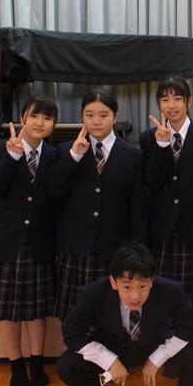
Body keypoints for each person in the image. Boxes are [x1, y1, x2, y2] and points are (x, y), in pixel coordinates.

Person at [56, 242, 193, 386]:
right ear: (113, 282)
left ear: (151, 281)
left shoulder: (171, 290)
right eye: (127, 287)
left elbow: (190, 325)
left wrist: (157, 358)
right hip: (112, 346)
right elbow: (72, 333)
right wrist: (109, 361)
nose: (135, 296)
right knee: (68, 364)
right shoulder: (94, 293)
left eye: (142, 286)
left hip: (154, 343)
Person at [0, 96, 59, 386]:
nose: (39, 122)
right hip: (3, 243)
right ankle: (16, 366)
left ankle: (37, 363)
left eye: (47, 118)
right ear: (22, 118)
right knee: (7, 312)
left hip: (38, 243)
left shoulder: (55, 154)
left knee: (36, 311)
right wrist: (11, 157)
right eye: (34, 116)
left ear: (53, 124)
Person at [50, 90, 146, 320]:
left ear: (115, 116)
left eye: (103, 115)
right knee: (75, 316)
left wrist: (136, 250)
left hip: (115, 248)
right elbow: (54, 192)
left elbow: (138, 207)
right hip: (75, 247)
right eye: (89, 115)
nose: (96, 121)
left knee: (111, 316)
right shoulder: (66, 150)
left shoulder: (132, 155)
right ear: (82, 116)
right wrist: (74, 157)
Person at [140, 76, 193, 310]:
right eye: (165, 99)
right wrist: (161, 146)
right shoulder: (148, 138)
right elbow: (151, 183)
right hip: (161, 232)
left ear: (188, 101)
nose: (171, 105)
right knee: (160, 302)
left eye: (177, 98)